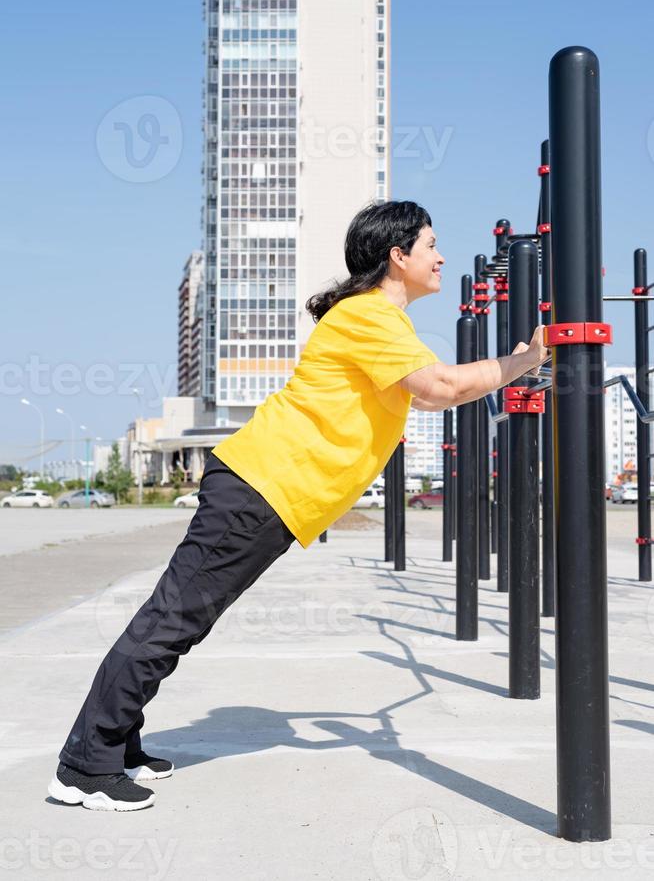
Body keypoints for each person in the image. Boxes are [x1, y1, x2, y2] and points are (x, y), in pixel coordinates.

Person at [48, 200, 547, 811]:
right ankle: (84, 766)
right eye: (431, 244)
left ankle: (118, 743)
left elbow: (418, 398)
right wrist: (524, 361)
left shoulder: (379, 322)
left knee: (181, 621)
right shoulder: (369, 316)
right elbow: (440, 389)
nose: (440, 256)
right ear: (398, 255)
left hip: (268, 493)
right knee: (171, 621)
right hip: (259, 487)